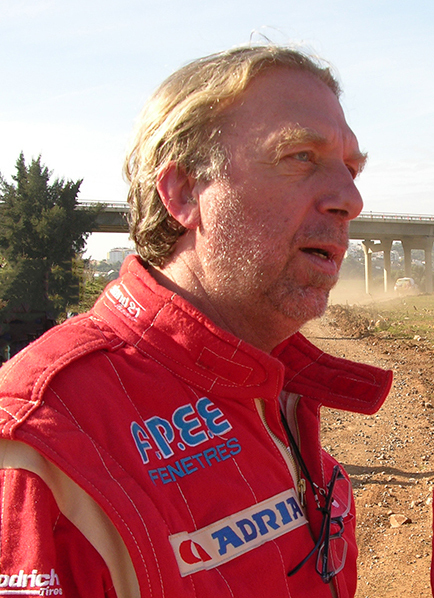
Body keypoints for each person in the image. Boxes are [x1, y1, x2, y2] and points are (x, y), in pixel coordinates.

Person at [0, 45, 392, 598]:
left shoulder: (276, 385)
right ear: (185, 193)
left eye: (350, 169)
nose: (350, 199)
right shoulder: (44, 442)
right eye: (301, 155)